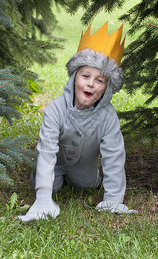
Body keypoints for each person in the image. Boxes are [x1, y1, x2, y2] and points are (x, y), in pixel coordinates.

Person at [17, 22, 135, 222]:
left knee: (86, 185)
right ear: (74, 77)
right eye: (85, 75)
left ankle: (87, 179)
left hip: (83, 165)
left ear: (107, 88)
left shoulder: (108, 117)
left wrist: (113, 198)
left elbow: (114, 156)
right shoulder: (56, 108)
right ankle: (44, 181)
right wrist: (43, 196)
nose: (90, 83)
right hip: (54, 162)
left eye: (99, 80)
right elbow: (46, 150)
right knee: (50, 185)